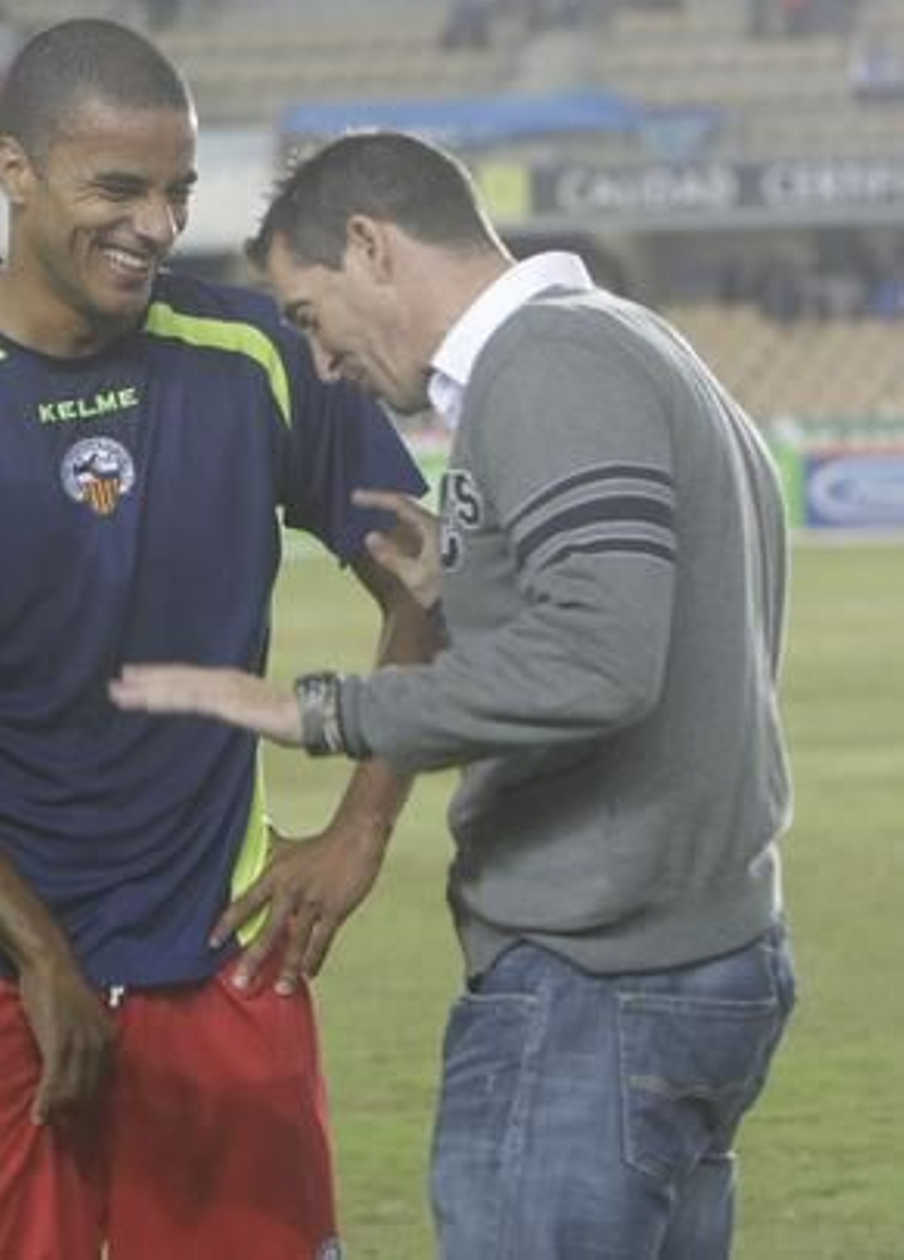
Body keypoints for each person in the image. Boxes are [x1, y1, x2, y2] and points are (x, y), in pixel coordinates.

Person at [0, 19, 435, 1258]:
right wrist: (39, 954)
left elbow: (428, 582)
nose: (156, 224)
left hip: (220, 959)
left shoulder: (254, 357)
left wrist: (361, 827)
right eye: (117, 188)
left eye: (178, 190)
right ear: (14, 169)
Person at [110, 129, 798, 1259]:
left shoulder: (551, 367)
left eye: (308, 314)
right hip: (689, 957)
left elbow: (601, 661)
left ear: (371, 246)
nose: (320, 362)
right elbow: (641, 622)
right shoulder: (623, 342)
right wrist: (471, 585)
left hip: (598, 980)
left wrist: (320, 711)